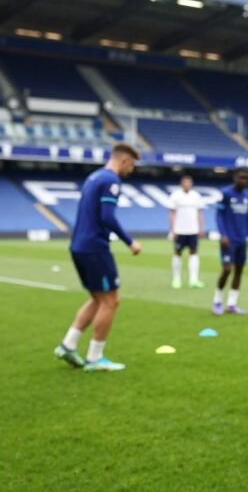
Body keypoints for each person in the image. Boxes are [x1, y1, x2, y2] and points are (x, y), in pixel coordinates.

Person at [54, 143, 142, 371]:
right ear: (124, 160)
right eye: (131, 165)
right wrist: (130, 242)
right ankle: (95, 358)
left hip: (79, 246)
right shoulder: (111, 181)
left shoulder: (94, 177)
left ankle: (68, 345)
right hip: (95, 247)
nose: (130, 170)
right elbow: (107, 218)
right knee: (111, 301)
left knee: (98, 299)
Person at [213, 168, 248, 315]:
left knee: (239, 271)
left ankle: (231, 304)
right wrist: (223, 235)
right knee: (226, 270)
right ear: (235, 177)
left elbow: (247, 218)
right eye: (241, 178)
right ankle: (217, 301)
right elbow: (219, 216)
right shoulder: (225, 194)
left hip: (241, 240)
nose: (243, 181)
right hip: (228, 240)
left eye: (246, 178)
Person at [168, 174, 206, 289]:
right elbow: (172, 213)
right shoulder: (175, 196)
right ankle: (176, 279)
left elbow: (200, 212)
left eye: (189, 183)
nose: (187, 185)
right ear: (181, 183)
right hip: (180, 230)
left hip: (193, 229)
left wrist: (201, 228)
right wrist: (173, 229)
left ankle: (193, 279)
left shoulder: (196, 196)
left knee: (193, 252)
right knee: (177, 253)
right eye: (185, 182)